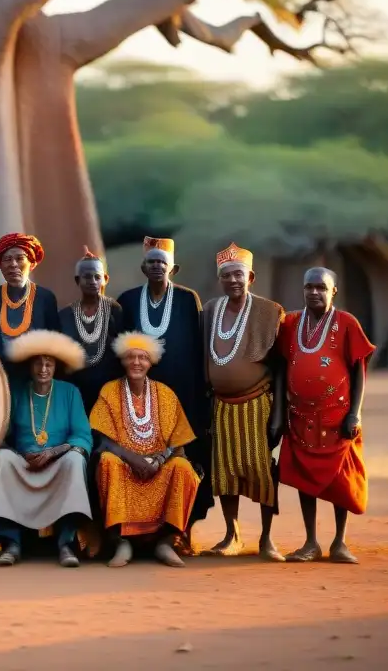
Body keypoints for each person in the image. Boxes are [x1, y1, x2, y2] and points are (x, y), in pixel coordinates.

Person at [277, 267, 375, 564]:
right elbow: (281, 368)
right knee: (305, 479)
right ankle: (310, 542)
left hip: (337, 417)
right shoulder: (291, 323)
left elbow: (358, 370)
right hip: (300, 417)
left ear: (334, 291)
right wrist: (280, 413)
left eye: (321, 287)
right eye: (309, 287)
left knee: (340, 480)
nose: (314, 293)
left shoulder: (346, 323)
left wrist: (354, 414)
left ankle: (340, 542)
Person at [117, 237, 211, 547]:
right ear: (143, 267)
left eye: (163, 262)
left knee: (185, 462)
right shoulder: (128, 301)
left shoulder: (187, 299)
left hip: (184, 397)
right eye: (152, 262)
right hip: (142, 401)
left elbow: (199, 352)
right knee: (143, 461)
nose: (157, 266)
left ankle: (181, 531)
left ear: (174, 268)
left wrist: (201, 402)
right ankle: (140, 532)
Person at [202, 243, 286, 561]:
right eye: (227, 275)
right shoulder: (211, 310)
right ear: (220, 279)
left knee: (262, 470)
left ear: (250, 276)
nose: (233, 280)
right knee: (225, 473)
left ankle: (266, 539)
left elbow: (280, 368)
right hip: (222, 406)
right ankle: (232, 534)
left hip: (258, 405)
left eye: (238, 274)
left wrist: (278, 414)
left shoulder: (269, 311)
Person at [92, 331, 201, 568]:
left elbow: (178, 441)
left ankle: (166, 541)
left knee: (182, 467)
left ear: (151, 362)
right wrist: (133, 460)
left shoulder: (165, 394)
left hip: (157, 467)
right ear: (122, 361)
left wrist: (159, 461)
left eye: (142, 357)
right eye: (131, 357)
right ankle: (121, 542)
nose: (136, 363)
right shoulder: (109, 391)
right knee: (107, 462)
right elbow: (104, 441)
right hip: (125, 466)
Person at [0, 330, 93, 567]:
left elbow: (82, 435)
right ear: (30, 366)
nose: (43, 369)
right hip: (24, 462)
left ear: (56, 367)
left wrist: (54, 452)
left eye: (49, 364)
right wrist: (19, 454)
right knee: (1, 460)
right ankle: (11, 543)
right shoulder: (16, 392)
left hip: (59, 461)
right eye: (38, 363)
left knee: (76, 460)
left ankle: (66, 543)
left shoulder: (69, 392)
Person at [0, 233, 61, 373]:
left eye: (20, 258)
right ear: (0, 265)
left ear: (31, 263)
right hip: (0, 377)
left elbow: (54, 344)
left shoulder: (45, 298)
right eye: (7, 259)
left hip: (36, 378)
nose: (13, 264)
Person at [58, 247, 124, 414]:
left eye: (97, 277)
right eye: (87, 277)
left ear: (106, 279)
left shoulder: (115, 311)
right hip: (76, 394)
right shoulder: (65, 315)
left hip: (110, 394)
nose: (92, 281)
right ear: (77, 280)